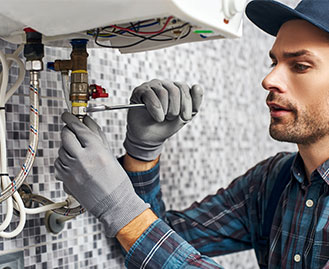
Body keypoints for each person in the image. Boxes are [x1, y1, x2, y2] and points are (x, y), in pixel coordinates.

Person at [54, 0, 329, 268]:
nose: (269, 80)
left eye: (300, 66)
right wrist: (142, 153)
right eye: (274, 63)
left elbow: (136, 229)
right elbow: (148, 244)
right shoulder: (273, 181)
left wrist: (121, 208)